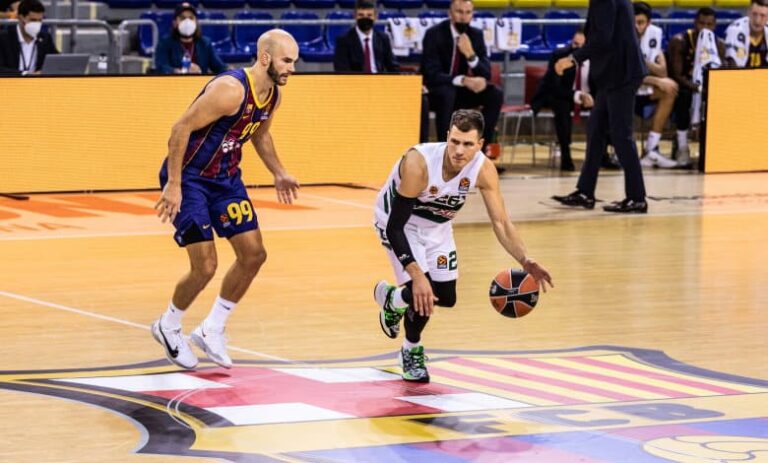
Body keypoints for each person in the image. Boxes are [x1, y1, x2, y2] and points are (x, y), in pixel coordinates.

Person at [152, 29, 301, 370]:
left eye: (294, 61)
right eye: (287, 60)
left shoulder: (273, 95)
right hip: (190, 178)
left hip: (226, 180)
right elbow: (179, 129)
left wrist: (279, 172)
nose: (292, 68)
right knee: (205, 265)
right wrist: (173, 183)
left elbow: (260, 134)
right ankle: (168, 325)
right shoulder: (231, 90)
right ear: (265, 57)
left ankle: (212, 328)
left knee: (254, 254)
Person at [372, 109, 553, 382]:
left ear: (480, 144)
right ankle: (411, 349)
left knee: (446, 296)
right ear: (447, 136)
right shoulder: (418, 164)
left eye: (467, 144)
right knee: (423, 292)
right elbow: (394, 228)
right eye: (454, 141)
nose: (458, 150)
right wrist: (417, 276)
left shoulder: (483, 169)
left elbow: (501, 222)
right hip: (399, 224)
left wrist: (525, 260)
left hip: (437, 228)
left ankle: (392, 299)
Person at [551, 0, 649, 214]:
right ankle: (585, 192)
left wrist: (573, 59)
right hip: (613, 73)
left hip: (621, 74)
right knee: (596, 131)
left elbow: (602, 40)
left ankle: (637, 198)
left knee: (622, 136)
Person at [421, 0, 503, 153]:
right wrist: (462, 80)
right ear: (450, 13)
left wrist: (471, 56)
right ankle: (445, 152)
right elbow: (431, 73)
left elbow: (486, 74)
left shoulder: (476, 35)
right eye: (459, 12)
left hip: (462, 91)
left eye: (468, 13)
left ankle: (478, 150)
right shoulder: (434, 34)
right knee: (447, 92)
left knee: (495, 94)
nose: (463, 17)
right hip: (436, 91)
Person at [531, 28, 594, 172]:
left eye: (582, 46)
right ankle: (566, 157)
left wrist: (593, 98)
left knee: (605, 105)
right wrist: (578, 95)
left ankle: (603, 155)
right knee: (561, 106)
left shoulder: (597, 58)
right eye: (575, 44)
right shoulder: (560, 56)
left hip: (588, 97)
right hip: (562, 96)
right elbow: (555, 88)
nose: (577, 50)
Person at [668, 8, 725, 165]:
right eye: (701, 23)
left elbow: (721, 73)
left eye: (709, 24)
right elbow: (676, 75)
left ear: (714, 26)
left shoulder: (719, 44)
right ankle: (682, 146)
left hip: (707, 87)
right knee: (684, 96)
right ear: (695, 23)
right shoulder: (680, 41)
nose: (704, 28)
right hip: (685, 86)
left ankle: (716, 146)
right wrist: (698, 88)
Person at [633, 2, 679, 169]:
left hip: (647, 89)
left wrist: (641, 62)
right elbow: (628, 74)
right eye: (634, 22)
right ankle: (623, 150)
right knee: (620, 90)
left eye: (641, 22)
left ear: (649, 22)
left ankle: (651, 150)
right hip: (626, 90)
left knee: (670, 89)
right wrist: (656, 79)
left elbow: (663, 71)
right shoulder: (621, 34)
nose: (637, 26)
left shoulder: (656, 34)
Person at [154, 2, 227, 75]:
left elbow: (220, 67)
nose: (187, 22)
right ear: (175, 22)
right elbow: (161, 67)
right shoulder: (165, 43)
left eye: (191, 18)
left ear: (196, 22)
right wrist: (179, 72)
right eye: (182, 18)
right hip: (175, 81)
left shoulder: (205, 43)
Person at [333, 0, 399, 73]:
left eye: (369, 15)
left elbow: (393, 66)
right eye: (361, 15)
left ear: (376, 17)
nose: (365, 19)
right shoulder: (343, 40)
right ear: (355, 16)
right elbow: (342, 70)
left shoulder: (383, 38)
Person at [0, 0, 57, 76]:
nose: (37, 24)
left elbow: (56, 62)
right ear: (21, 18)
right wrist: (24, 74)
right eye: (33, 20)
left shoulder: (45, 38)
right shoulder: (4, 38)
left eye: (40, 20)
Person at [725, 0, 768, 68]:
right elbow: (734, 68)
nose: (757, 21)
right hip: (740, 74)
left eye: (762, 16)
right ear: (748, 12)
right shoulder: (734, 30)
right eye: (754, 14)